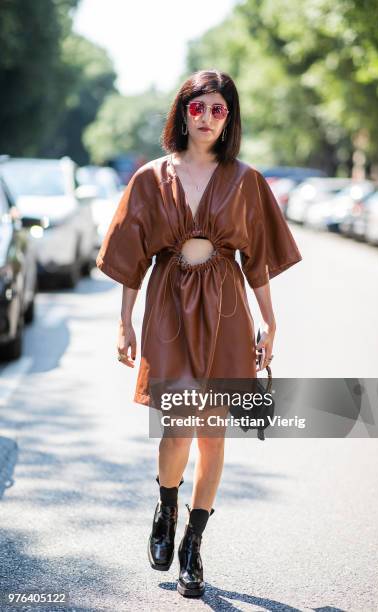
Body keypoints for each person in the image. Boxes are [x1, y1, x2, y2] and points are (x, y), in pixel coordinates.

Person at [96, 69, 302, 598]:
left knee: (212, 434)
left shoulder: (246, 179)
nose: (208, 118)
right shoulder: (150, 178)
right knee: (178, 427)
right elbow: (130, 257)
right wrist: (124, 321)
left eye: (218, 109)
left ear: (228, 118)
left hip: (227, 308)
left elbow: (256, 260)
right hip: (168, 306)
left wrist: (269, 321)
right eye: (198, 107)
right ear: (182, 112)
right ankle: (166, 506)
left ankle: (193, 542)